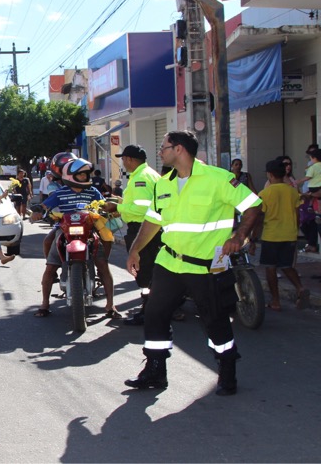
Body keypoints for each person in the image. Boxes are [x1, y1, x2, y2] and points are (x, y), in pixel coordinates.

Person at [124, 130, 261, 396]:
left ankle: (227, 370)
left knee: (215, 319)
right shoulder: (163, 183)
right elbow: (153, 220)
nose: (160, 152)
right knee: (154, 314)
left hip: (205, 265)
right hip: (170, 262)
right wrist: (135, 249)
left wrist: (239, 235)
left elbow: (254, 205)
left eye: (163, 147)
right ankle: (155, 371)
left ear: (179, 149)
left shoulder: (217, 179)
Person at [29, 158, 119, 319]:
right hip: (64, 230)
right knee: (49, 255)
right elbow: (45, 206)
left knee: (103, 264)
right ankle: (44, 303)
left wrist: (110, 207)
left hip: (89, 230)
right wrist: (37, 211)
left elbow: (104, 204)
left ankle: (110, 304)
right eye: (81, 175)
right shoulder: (60, 192)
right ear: (71, 176)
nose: (85, 177)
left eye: (86, 174)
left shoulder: (92, 191)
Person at [103, 145, 162, 326]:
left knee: (143, 271)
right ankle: (153, 307)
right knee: (151, 269)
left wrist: (117, 207)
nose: (123, 162)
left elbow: (142, 208)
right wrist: (121, 203)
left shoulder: (141, 178)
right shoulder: (148, 174)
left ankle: (149, 311)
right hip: (151, 228)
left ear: (130, 159)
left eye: (124, 159)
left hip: (142, 228)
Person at [251, 160, 310, 311]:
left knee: (270, 268)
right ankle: (300, 287)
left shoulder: (265, 193)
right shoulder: (292, 192)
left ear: (269, 175)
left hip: (271, 236)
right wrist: (295, 232)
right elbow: (297, 216)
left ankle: (276, 301)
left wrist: (253, 238)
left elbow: (259, 218)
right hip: (289, 234)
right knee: (286, 265)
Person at [296, 149, 321, 253]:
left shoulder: (313, 167)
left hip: (314, 188)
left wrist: (298, 181)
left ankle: (312, 205)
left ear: (313, 158)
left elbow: (308, 177)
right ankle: (312, 205)